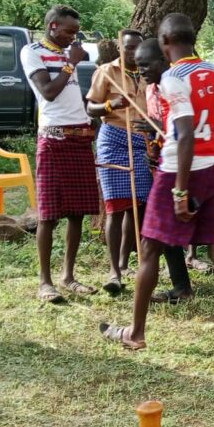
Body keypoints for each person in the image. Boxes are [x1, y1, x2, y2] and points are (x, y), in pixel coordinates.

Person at [99, 14, 214, 356]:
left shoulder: (173, 79)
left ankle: (135, 333)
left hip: (179, 171)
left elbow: (186, 132)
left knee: (150, 249)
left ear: (165, 43)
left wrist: (179, 190)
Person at [20, 4, 100, 303]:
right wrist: (71, 64)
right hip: (53, 140)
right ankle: (45, 282)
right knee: (49, 214)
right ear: (52, 26)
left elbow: (67, 95)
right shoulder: (32, 52)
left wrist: (88, 112)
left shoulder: (68, 54)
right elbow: (48, 92)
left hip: (79, 139)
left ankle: (68, 276)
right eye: (69, 31)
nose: (73, 38)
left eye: (76, 33)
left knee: (78, 212)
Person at [86, 29, 152, 294]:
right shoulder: (105, 71)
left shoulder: (150, 73)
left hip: (143, 142)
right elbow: (91, 107)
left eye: (138, 48)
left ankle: (128, 262)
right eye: (128, 48)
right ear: (119, 48)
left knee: (138, 204)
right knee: (115, 206)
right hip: (113, 139)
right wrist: (111, 105)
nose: (133, 53)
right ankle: (114, 272)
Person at [134, 38, 194, 305]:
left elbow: (186, 127)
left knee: (208, 226)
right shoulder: (151, 89)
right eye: (138, 67)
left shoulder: (177, 83)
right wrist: (153, 143)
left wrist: (158, 125)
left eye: (146, 65)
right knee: (164, 227)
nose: (142, 71)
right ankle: (181, 286)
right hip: (162, 162)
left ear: (163, 61)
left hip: (191, 163)